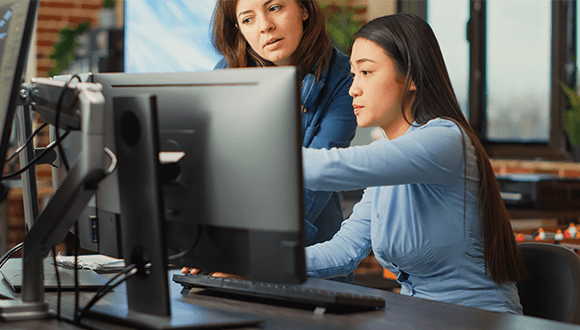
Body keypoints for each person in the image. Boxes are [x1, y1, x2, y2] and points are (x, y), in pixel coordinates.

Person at [301, 13, 526, 313]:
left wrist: (258, 159)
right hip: (418, 317)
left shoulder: (444, 140)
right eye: (353, 74)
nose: (352, 89)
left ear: (412, 79)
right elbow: (343, 252)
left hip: (476, 320)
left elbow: (333, 168)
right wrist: (261, 265)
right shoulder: (390, 161)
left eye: (366, 72)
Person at [212, 0, 357, 246]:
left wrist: (255, 254)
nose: (265, 27)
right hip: (231, 242)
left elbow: (317, 179)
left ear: (303, 9)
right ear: (239, 29)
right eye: (248, 19)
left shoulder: (342, 77)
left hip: (308, 254)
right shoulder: (227, 73)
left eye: (275, 8)